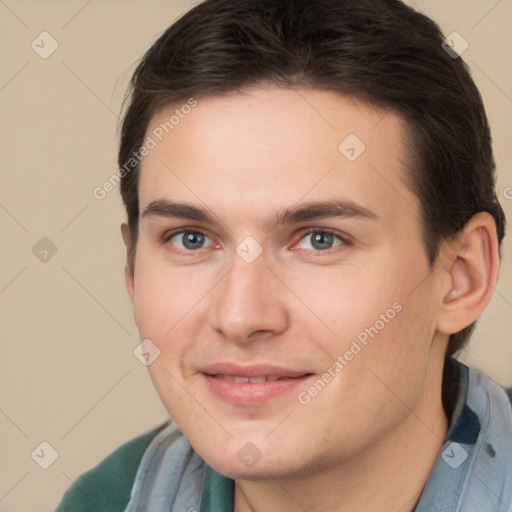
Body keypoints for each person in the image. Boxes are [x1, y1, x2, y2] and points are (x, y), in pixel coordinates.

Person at [56, 0, 512, 510]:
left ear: (462, 275)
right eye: (191, 238)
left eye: (320, 239)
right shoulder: (108, 500)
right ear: (133, 273)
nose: (240, 316)